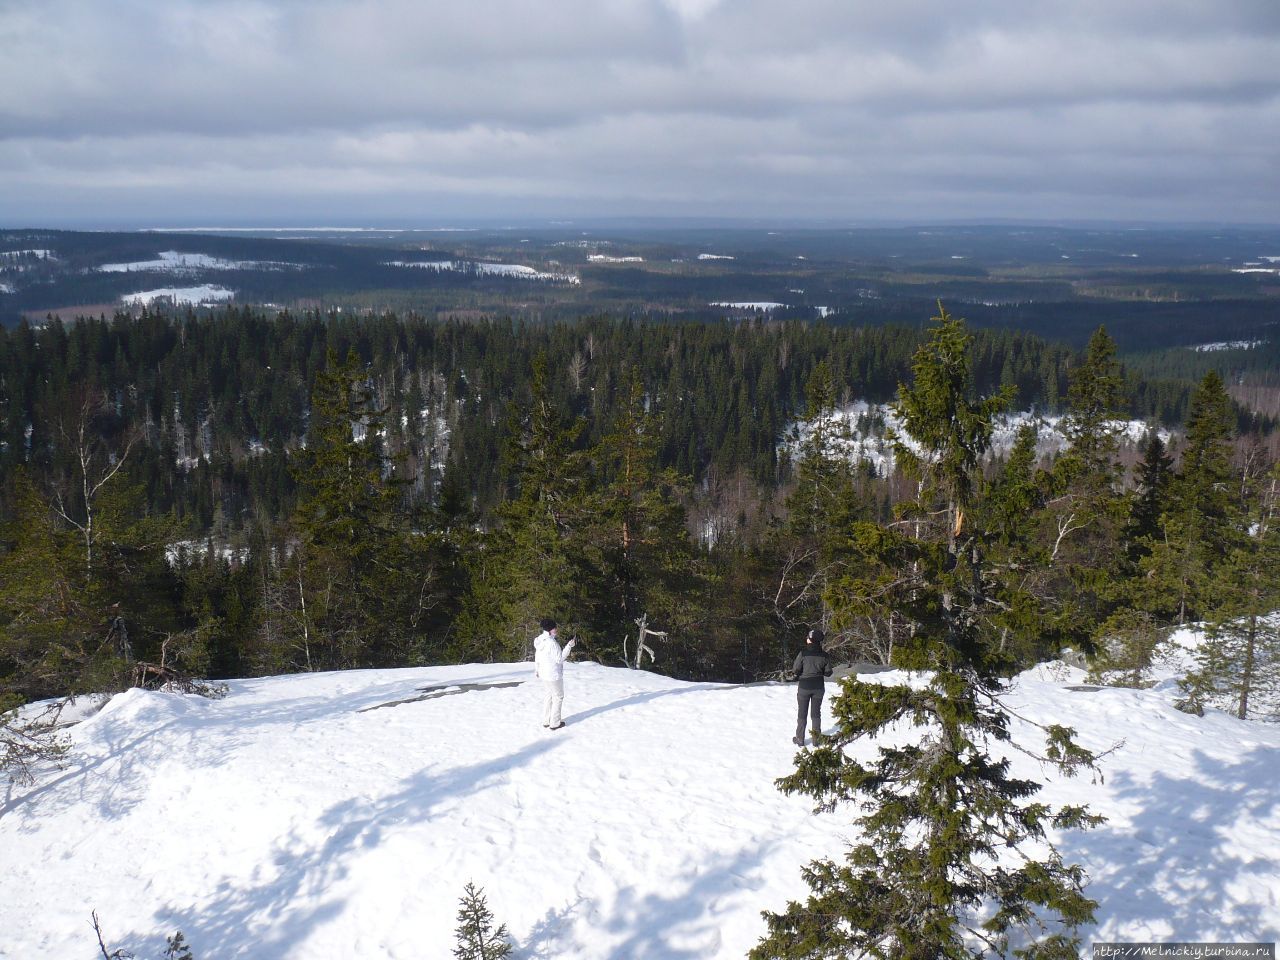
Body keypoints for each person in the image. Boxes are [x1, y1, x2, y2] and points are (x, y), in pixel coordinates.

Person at [792, 627, 833, 746]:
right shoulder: (824, 655)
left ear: (811, 641)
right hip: (819, 687)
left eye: (808, 638)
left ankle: (800, 739)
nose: (807, 639)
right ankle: (816, 740)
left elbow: (795, 669)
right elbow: (828, 672)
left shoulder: (803, 654)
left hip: (804, 687)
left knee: (802, 713)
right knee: (816, 714)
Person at [533, 617, 575, 730]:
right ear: (550, 630)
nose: (556, 629)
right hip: (553, 674)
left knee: (549, 696)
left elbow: (537, 656)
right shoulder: (552, 643)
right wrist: (569, 646)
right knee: (558, 697)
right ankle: (555, 723)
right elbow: (559, 659)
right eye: (554, 628)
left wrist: (537, 669)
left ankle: (546, 720)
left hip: (544, 673)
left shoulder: (540, 640)